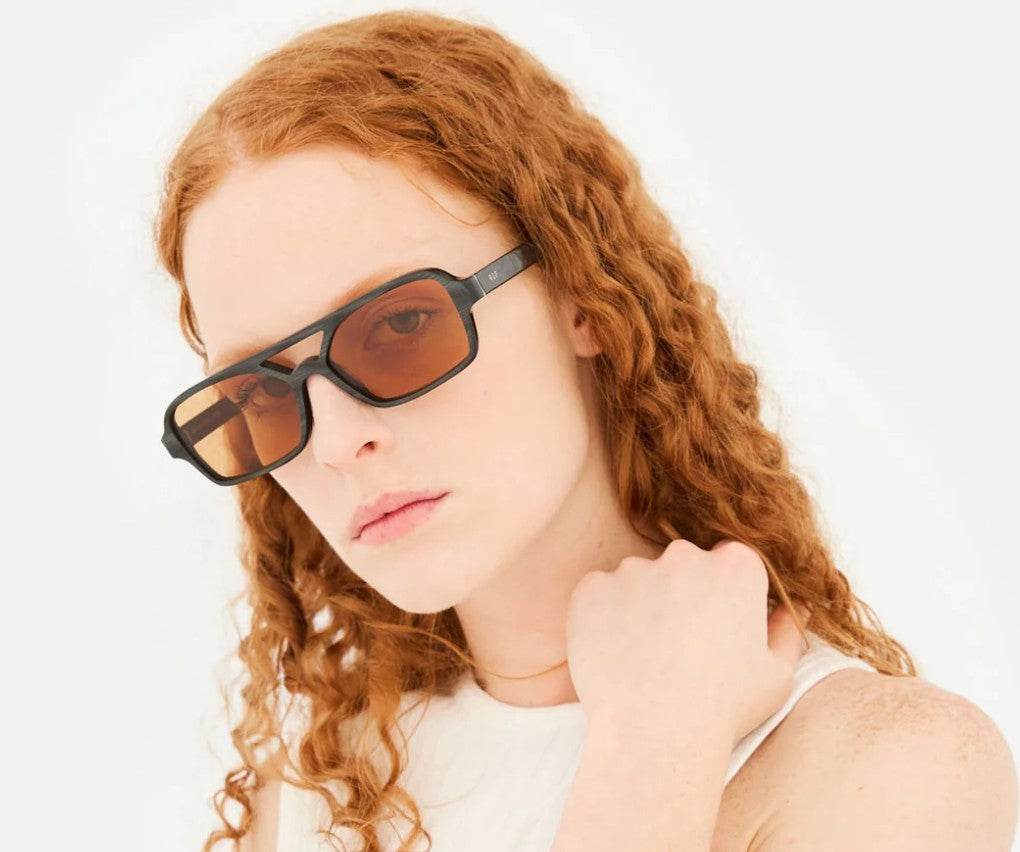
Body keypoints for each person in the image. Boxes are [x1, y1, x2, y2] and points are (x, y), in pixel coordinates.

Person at [153, 10, 1017, 852]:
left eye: (402, 325)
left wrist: (656, 739)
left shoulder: (890, 768)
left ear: (581, 294)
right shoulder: (320, 786)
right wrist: (654, 739)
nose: (336, 441)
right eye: (258, 395)